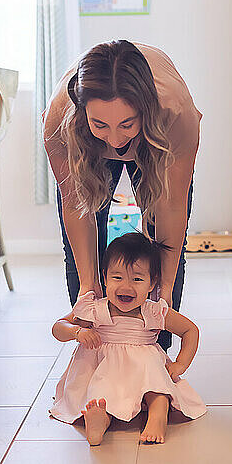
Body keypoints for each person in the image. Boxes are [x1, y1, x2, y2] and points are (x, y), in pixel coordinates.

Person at [43, 39, 203, 353]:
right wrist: (88, 285)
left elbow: (171, 209)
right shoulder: (60, 121)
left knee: (159, 251)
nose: (115, 140)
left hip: (156, 137)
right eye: (100, 124)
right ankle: (95, 355)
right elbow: (78, 208)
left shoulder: (176, 115)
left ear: (143, 111)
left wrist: (165, 289)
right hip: (80, 141)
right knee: (85, 270)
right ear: (83, 112)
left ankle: (155, 359)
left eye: (126, 124)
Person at [48, 232, 207, 446]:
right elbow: (58, 328)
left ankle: (158, 417)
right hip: (104, 368)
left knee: (156, 385)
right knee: (102, 394)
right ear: (104, 278)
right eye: (117, 277)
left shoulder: (153, 311)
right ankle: (99, 422)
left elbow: (190, 331)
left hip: (143, 367)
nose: (126, 286)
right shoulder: (95, 308)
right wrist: (78, 332)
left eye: (138, 279)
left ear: (152, 284)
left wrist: (180, 364)